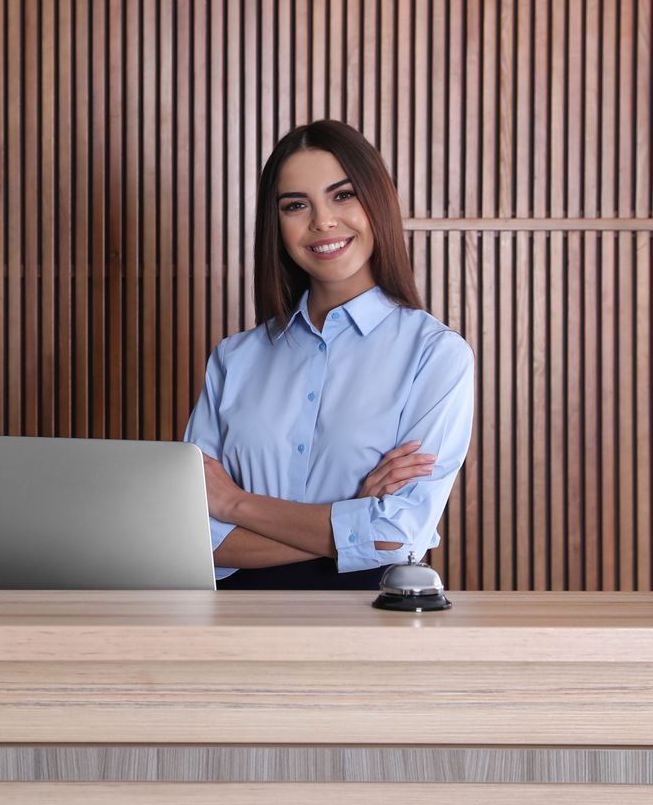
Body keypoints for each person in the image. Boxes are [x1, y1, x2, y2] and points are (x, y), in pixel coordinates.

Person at [185, 119, 476, 588]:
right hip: (232, 622)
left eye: (342, 195)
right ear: (275, 224)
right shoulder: (233, 359)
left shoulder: (435, 356)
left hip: (366, 621)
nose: (322, 220)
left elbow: (398, 534)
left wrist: (235, 505)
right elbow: (191, 536)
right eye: (296, 205)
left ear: (376, 201)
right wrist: (352, 519)